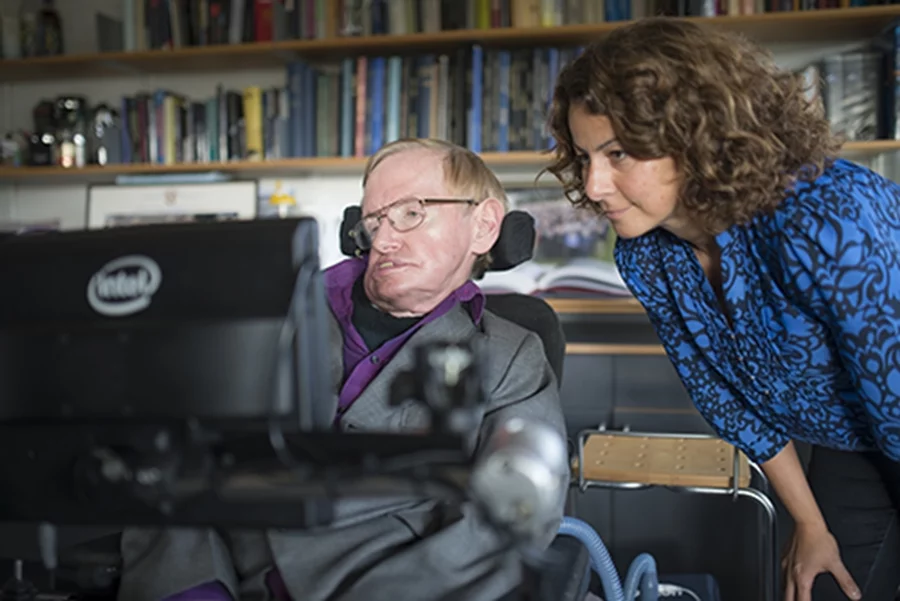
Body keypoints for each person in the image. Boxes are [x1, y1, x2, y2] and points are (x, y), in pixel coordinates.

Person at [115, 138, 568, 601]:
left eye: (412, 212)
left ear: (483, 225)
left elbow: (516, 516)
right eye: (374, 221)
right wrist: (194, 591)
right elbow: (168, 458)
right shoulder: (267, 318)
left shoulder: (512, 354)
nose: (385, 241)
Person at [545, 17, 900, 601]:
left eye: (618, 153)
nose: (595, 184)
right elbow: (727, 400)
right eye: (584, 157)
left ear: (698, 135)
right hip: (850, 440)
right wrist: (810, 525)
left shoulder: (828, 218)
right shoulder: (647, 255)